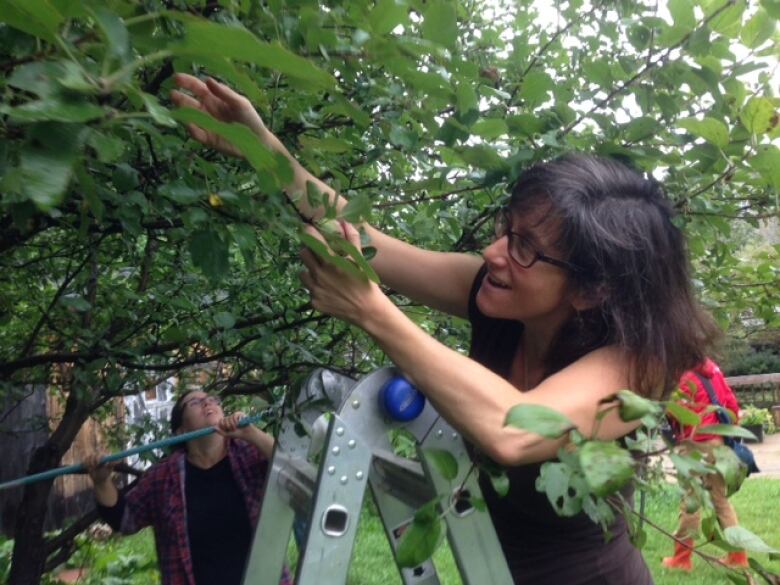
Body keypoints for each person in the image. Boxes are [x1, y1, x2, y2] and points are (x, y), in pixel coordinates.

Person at [171, 74, 721, 584]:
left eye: (526, 247)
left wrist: (371, 311)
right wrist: (263, 150)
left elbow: (514, 430)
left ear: (593, 289)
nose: (493, 252)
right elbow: (369, 241)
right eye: (509, 228)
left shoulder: (635, 362)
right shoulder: (499, 296)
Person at [85, 391, 290, 585]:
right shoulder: (163, 476)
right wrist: (102, 482)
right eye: (195, 402)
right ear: (181, 430)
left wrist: (252, 434)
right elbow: (124, 519)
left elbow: (291, 471)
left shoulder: (249, 454)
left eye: (212, 399)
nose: (208, 403)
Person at [661, 358, 749, 571]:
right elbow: (731, 403)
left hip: (695, 442)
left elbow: (676, 411)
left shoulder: (682, 373)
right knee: (720, 499)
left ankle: (681, 560)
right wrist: (727, 431)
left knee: (691, 499)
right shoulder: (713, 369)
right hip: (718, 441)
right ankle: (738, 556)